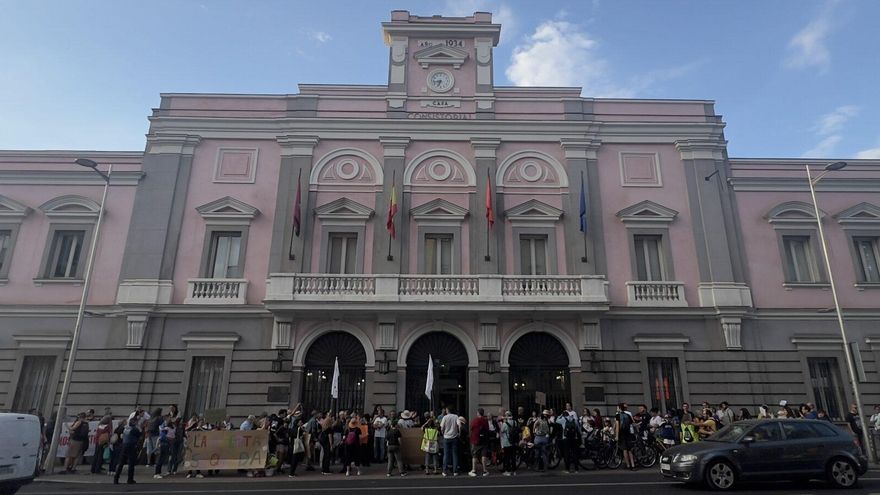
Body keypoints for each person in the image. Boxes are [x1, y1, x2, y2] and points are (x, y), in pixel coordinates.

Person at [114, 418, 141, 485]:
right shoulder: (135, 429)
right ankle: (130, 479)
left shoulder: (125, 429)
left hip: (124, 446)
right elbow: (139, 435)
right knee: (131, 463)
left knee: (121, 463)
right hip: (131, 446)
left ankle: (116, 478)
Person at [468, 408, 490, 477]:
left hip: (476, 440)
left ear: (478, 413)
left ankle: (474, 470)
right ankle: (484, 470)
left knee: (474, 455)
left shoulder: (475, 420)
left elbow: (471, 428)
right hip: (484, 440)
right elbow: (487, 429)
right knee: (484, 455)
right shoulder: (485, 420)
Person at [439, 406, 460, 476]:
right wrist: (459, 433)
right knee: (455, 454)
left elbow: (441, 428)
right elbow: (459, 425)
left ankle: (444, 471)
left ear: (447, 410)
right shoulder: (456, 416)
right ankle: (455, 471)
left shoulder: (445, 417)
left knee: (446, 455)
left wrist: (443, 433)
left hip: (446, 437)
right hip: (454, 437)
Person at [615, 403, 636, 470]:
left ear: (619, 408)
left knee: (625, 450)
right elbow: (632, 423)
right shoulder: (628, 415)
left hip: (622, 434)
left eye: (617, 407)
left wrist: (617, 436)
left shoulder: (618, 415)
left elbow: (618, 426)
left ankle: (628, 465)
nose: (617, 409)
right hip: (628, 433)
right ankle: (633, 465)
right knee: (629, 450)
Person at [500, 411, 518, 476]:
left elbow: (501, 431)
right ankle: (514, 471)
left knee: (507, 457)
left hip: (507, 442)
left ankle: (508, 471)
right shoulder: (515, 422)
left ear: (507, 416)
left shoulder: (505, 424)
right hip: (513, 442)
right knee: (513, 457)